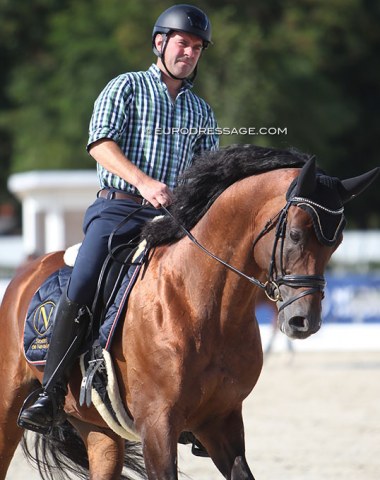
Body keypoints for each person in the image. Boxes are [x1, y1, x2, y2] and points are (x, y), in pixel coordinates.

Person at [19, 4, 219, 433]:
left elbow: (208, 175)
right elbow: (100, 144)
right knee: (87, 275)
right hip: (119, 208)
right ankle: (51, 391)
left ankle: (210, 404)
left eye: (198, 47)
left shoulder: (202, 113)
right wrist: (145, 182)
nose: (190, 52)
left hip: (176, 217)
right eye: (183, 42)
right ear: (160, 42)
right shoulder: (126, 87)